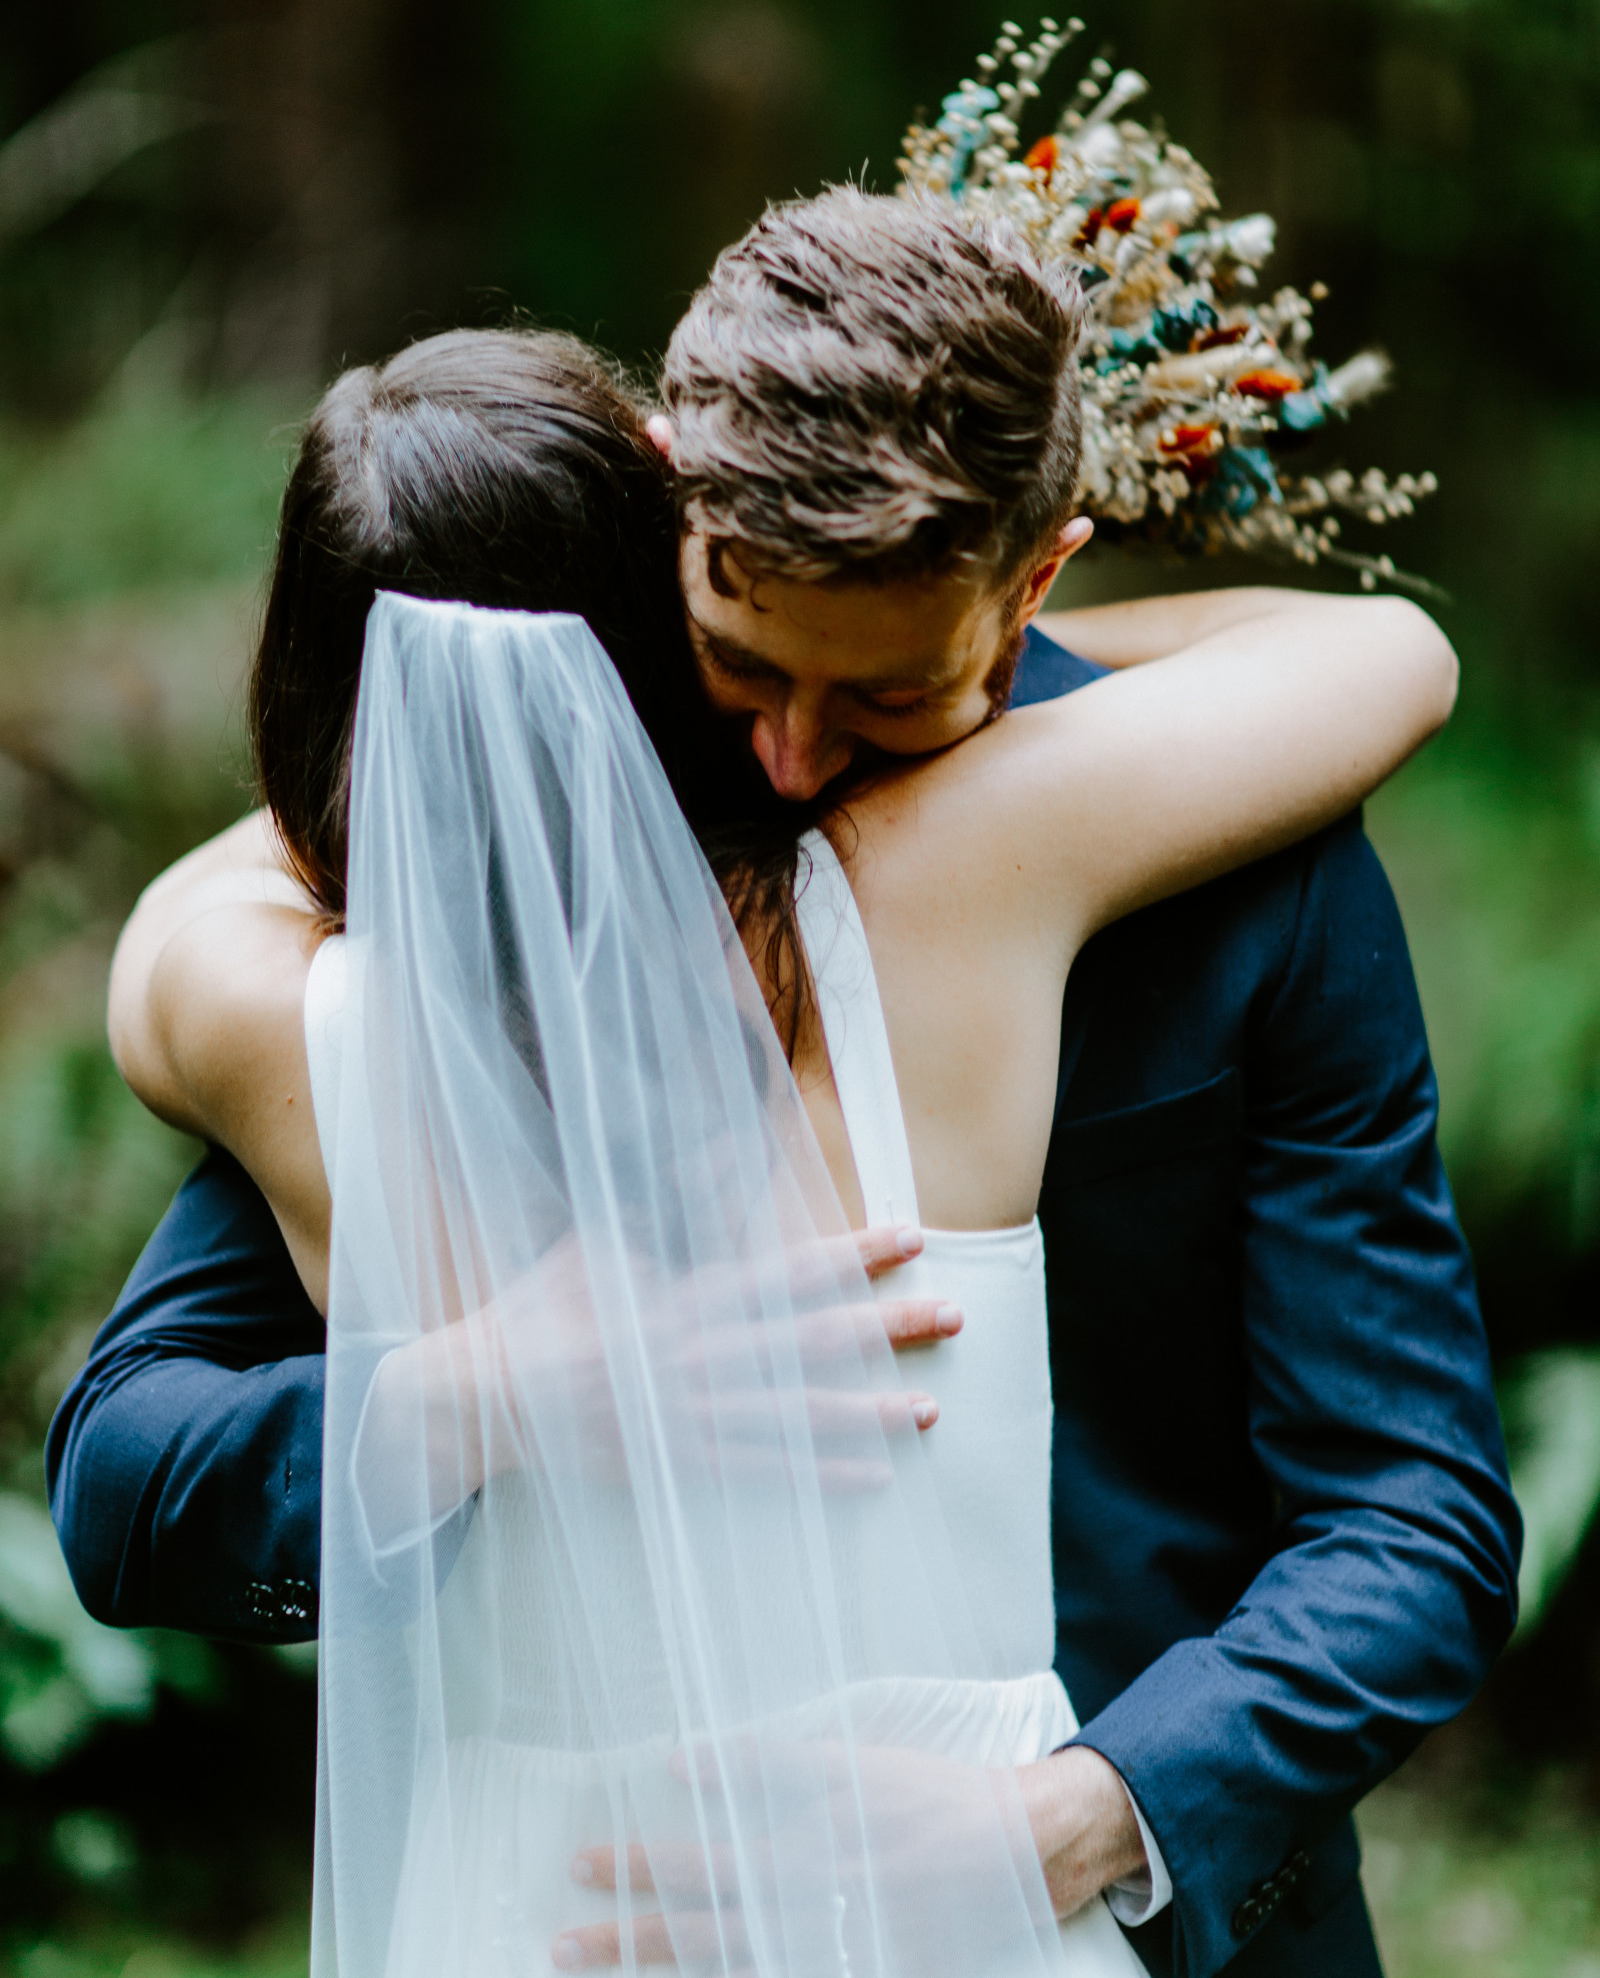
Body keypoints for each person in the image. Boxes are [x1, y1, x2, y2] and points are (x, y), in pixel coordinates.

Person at [49, 192, 1519, 1978]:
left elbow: (1413, 1520)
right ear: (675, 497)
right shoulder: (502, 921)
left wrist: (1067, 1820)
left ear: (1036, 575)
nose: (790, 756)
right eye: (742, 665)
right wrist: (487, 1387)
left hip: (1139, 1920)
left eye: (888, 702)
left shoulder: (1245, 853)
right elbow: (134, 1476)